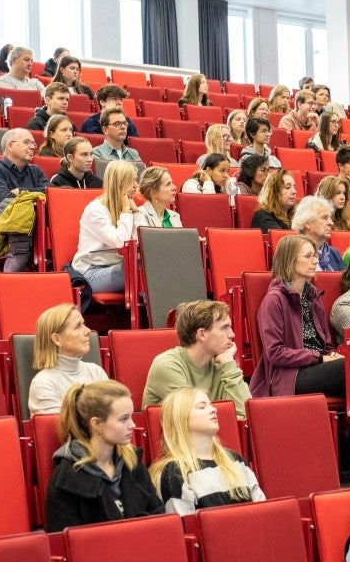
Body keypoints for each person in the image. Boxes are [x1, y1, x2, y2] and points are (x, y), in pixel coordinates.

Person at [45, 380, 164, 532]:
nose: (133, 425)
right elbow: (63, 541)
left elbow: (157, 514)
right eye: (123, 419)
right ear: (97, 424)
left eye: (131, 417)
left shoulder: (132, 461)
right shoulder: (66, 478)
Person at [250, 235, 346, 398]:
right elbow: (275, 352)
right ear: (289, 260)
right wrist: (319, 358)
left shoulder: (312, 297)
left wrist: (331, 356)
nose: (315, 261)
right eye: (308, 256)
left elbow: (327, 345)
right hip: (290, 375)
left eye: (315, 255)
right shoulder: (273, 300)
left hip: (318, 367)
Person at [148, 385, 264, 516]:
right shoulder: (175, 471)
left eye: (211, 404)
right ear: (181, 419)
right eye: (202, 407)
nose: (213, 409)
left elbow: (262, 511)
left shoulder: (236, 460)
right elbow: (185, 528)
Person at [143, 300, 249, 415]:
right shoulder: (167, 365)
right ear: (202, 334)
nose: (232, 334)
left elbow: (246, 413)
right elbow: (194, 417)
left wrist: (229, 364)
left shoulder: (222, 364)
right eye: (224, 328)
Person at [73, 161, 153, 293]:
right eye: (131, 180)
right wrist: (126, 212)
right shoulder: (96, 210)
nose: (136, 185)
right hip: (92, 273)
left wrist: (136, 213)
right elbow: (119, 242)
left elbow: (145, 241)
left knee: (151, 266)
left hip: (119, 267)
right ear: (119, 183)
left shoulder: (128, 205)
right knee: (144, 271)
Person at [28, 303, 108, 416]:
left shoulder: (96, 371)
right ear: (57, 339)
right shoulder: (43, 383)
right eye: (78, 326)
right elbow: (61, 430)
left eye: (84, 324)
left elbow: (112, 414)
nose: (88, 330)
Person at [0, 128, 48, 232]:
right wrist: (36, 197)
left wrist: (19, 191)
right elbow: (7, 201)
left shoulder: (36, 171)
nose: (32, 147)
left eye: (33, 144)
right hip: (3, 235)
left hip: (36, 230)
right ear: (10, 146)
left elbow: (51, 193)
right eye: (27, 142)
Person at [293, 195, 343, 272]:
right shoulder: (293, 252)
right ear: (307, 223)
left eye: (330, 218)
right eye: (325, 218)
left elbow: (345, 282)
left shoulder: (334, 253)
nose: (331, 223)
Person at [251, 169, 296, 233]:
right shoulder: (263, 217)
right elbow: (283, 240)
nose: (294, 191)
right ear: (274, 192)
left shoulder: (294, 215)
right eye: (288, 187)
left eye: (294, 187)